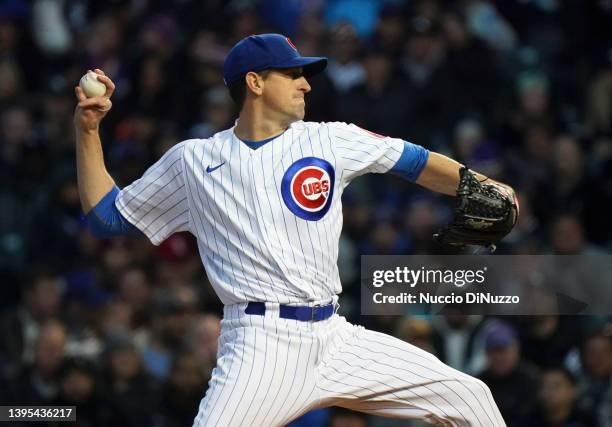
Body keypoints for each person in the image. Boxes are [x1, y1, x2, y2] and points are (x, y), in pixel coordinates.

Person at [74, 33, 511, 426]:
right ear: (255, 83)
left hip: (335, 335)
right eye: (292, 75)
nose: (306, 84)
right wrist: (88, 130)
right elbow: (108, 217)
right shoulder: (194, 160)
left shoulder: (328, 139)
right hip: (261, 345)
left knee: (469, 398)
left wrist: (481, 185)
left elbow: (415, 161)